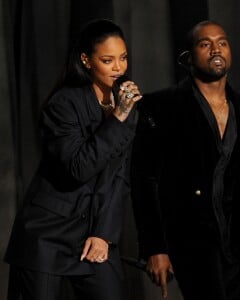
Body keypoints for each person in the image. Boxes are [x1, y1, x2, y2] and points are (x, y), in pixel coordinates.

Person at [131, 20, 240, 300]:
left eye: (222, 42)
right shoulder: (162, 106)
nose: (215, 49)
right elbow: (144, 180)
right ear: (188, 56)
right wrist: (154, 247)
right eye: (205, 44)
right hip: (189, 241)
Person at [4, 18, 142, 300]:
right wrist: (117, 119)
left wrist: (103, 233)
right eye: (108, 60)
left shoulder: (127, 109)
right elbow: (79, 167)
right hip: (47, 233)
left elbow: (119, 177)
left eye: (123, 58)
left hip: (94, 233)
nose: (119, 68)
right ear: (86, 60)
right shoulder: (63, 104)